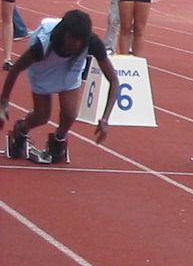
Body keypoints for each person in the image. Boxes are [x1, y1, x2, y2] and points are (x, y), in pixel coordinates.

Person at [1, 10, 119, 163]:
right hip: (43, 67)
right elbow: (15, 69)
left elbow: (114, 81)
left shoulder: (92, 43)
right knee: (42, 116)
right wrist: (3, 102)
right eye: (72, 39)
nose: (75, 45)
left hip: (71, 68)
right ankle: (21, 129)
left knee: (71, 113)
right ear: (64, 34)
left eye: (80, 41)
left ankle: (58, 140)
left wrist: (105, 119)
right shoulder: (41, 45)